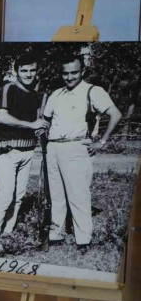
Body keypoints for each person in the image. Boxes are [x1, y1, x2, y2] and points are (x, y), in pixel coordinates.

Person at [43, 53, 122, 252]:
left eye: (74, 72)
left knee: (78, 195)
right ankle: (55, 236)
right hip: (53, 147)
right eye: (65, 73)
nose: (69, 77)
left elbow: (115, 114)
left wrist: (102, 141)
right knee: (56, 194)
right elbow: (45, 119)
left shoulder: (93, 91)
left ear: (83, 71)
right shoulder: (56, 94)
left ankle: (83, 240)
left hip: (76, 147)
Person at [0, 54, 47, 252]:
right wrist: (31, 125)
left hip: (28, 151)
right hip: (8, 151)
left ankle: (8, 232)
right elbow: (2, 117)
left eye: (32, 70)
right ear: (17, 71)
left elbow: (36, 121)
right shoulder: (8, 89)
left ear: (37, 71)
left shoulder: (36, 95)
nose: (29, 74)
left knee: (19, 196)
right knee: (5, 195)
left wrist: (39, 128)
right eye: (24, 70)